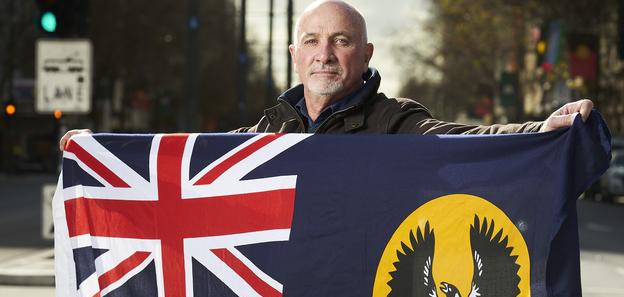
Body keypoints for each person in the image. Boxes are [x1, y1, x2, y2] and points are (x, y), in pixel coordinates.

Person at [59, 0, 593, 150]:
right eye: (312, 42)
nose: (325, 55)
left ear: (364, 54)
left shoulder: (394, 123)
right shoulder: (271, 128)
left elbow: (459, 140)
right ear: (295, 55)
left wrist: (539, 130)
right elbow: (193, 154)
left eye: (341, 41)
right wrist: (101, 148)